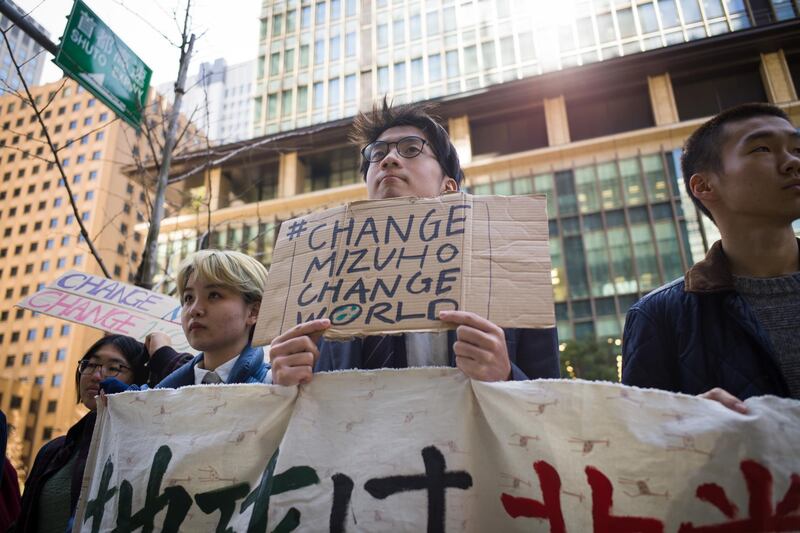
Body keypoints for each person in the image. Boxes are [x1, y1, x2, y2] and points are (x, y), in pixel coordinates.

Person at [269, 99, 560, 385]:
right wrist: (285, 383)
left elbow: (549, 397)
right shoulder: (321, 289)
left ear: (448, 187)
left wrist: (506, 376)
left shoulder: (511, 269)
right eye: (377, 153)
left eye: (411, 149)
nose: (388, 159)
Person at [622, 103, 799, 410]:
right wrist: (686, 423)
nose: (792, 163)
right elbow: (640, 442)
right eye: (762, 149)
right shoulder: (659, 316)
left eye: (797, 148)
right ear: (704, 185)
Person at [16, 335, 150, 532]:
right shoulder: (53, 451)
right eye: (91, 364)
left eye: (113, 368)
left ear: (138, 379)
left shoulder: (143, 449)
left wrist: (161, 350)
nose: (96, 376)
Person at [150, 249, 270, 387]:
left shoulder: (282, 387)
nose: (194, 309)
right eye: (188, 298)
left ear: (254, 312)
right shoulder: (154, 398)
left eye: (214, 295)